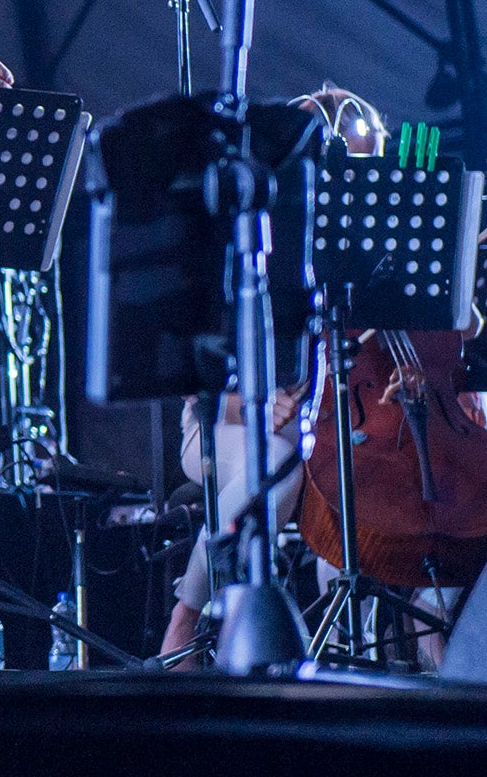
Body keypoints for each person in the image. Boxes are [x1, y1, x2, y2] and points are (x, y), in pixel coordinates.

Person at [156, 84, 389, 665]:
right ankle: (187, 617)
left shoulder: (355, 252)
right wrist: (256, 405)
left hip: (322, 430)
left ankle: (346, 648)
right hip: (221, 425)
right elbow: (196, 383)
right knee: (277, 467)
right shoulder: (239, 238)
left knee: (354, 477)